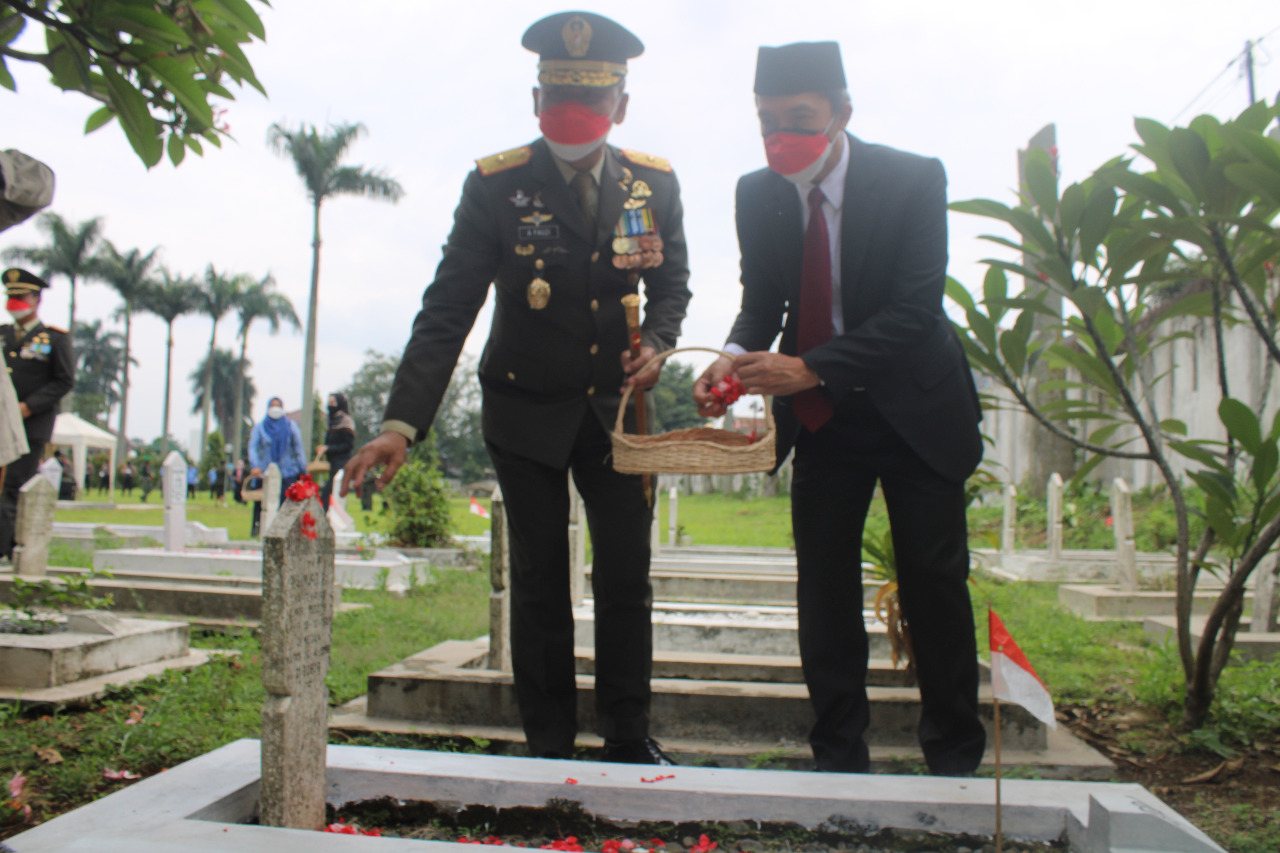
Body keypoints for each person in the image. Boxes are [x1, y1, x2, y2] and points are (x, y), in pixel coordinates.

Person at [343, 11, 691, 765]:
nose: (574, 117)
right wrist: (402, 423)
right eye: (560, 99)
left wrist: (659, 343)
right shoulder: (496, 187)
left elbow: (672, 284)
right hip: (524, 411)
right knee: (539, 584)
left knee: (627, 576)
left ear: (621, 107)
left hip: (622, 413)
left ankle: (628, 737)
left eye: (591, 103)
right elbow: (448, 309)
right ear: (535, 101)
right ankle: (549, 743)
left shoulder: (653, 183)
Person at [693, 42, 986, 777]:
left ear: (841, 112)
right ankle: (837, 753)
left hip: (915, 407)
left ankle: (952, 754)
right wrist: (730, 355)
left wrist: (809, 364)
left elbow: (916, 310)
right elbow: (765, 299)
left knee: (933, 581)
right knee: (823, 585)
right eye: (766, 121)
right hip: (822, 415)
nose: (780, 135)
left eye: (798, 118)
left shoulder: (913, 178)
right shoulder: (756, 193)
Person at [0, 268, 74, 560]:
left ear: (36, 299)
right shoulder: (3, 335)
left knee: (13, 487)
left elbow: (64, 380)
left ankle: (7, 550)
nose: (14, 302)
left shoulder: (54, 339)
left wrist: (27, 406)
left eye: (20, 297)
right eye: (11, 296)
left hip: (29, 426)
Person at [248, 396, 307, 533]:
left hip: (288, 472)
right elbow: (253, 447)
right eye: (272, 406)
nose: (275, 409)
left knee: (286, 503)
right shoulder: (260, 427)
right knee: (262, 503)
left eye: (278, 406)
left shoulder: (291, 426)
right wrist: (254, 465)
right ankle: (258, 529)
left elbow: (298, 448)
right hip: (265, 472)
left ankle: (284, 530)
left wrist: (302, 469)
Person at [317, 392, 355, 510]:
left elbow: (348, 445)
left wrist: (329, 448)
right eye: (329, 403)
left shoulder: (346, 421)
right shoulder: (331, 422)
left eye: (333, 402)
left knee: (330, 496)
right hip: (332, 463)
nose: (330, 405)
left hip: (342, 464)